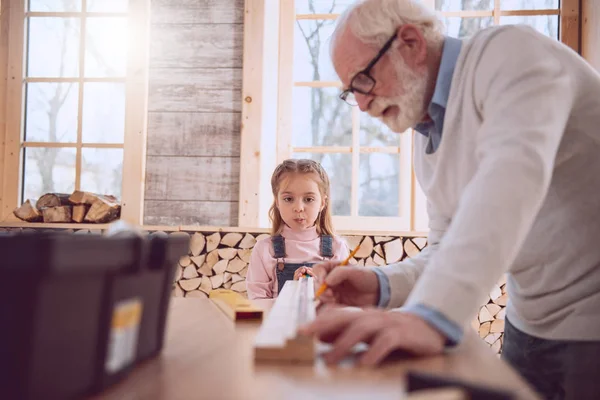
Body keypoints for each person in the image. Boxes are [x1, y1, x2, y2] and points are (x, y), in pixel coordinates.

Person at [300, 0, 600, 399]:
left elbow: (510, 179)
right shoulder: (427, 135)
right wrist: (379, 285)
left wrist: (430, 317)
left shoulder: (511, 55)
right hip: (527, 327)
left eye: (363, 81)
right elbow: (445, 249)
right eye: (350, 92)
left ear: (410, 42)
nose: (362, 104)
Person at [246, 159, 350, 299]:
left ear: (322, 203)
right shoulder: (264, 249)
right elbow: (258, 303)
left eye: (308, 199)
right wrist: (292, 292)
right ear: (277, 202)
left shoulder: (337, 248)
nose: (298, 208)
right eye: (288, 199)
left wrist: (318, 290)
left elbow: (343, 301)